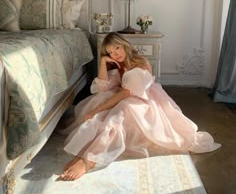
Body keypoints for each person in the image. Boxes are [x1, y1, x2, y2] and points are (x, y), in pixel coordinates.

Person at [60, 32, 221, 181]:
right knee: (103, 100)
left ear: (124, 44)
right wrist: (103, 62)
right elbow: (102, 88)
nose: (115, 54)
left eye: (117, 48)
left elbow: (126, 93)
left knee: (119, 113)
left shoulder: (141, 62)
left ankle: (88, 160)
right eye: (110, 53)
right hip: (128, 96)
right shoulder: (119, 65)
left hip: (144, 101)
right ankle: (87, 151)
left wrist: (97, 109)